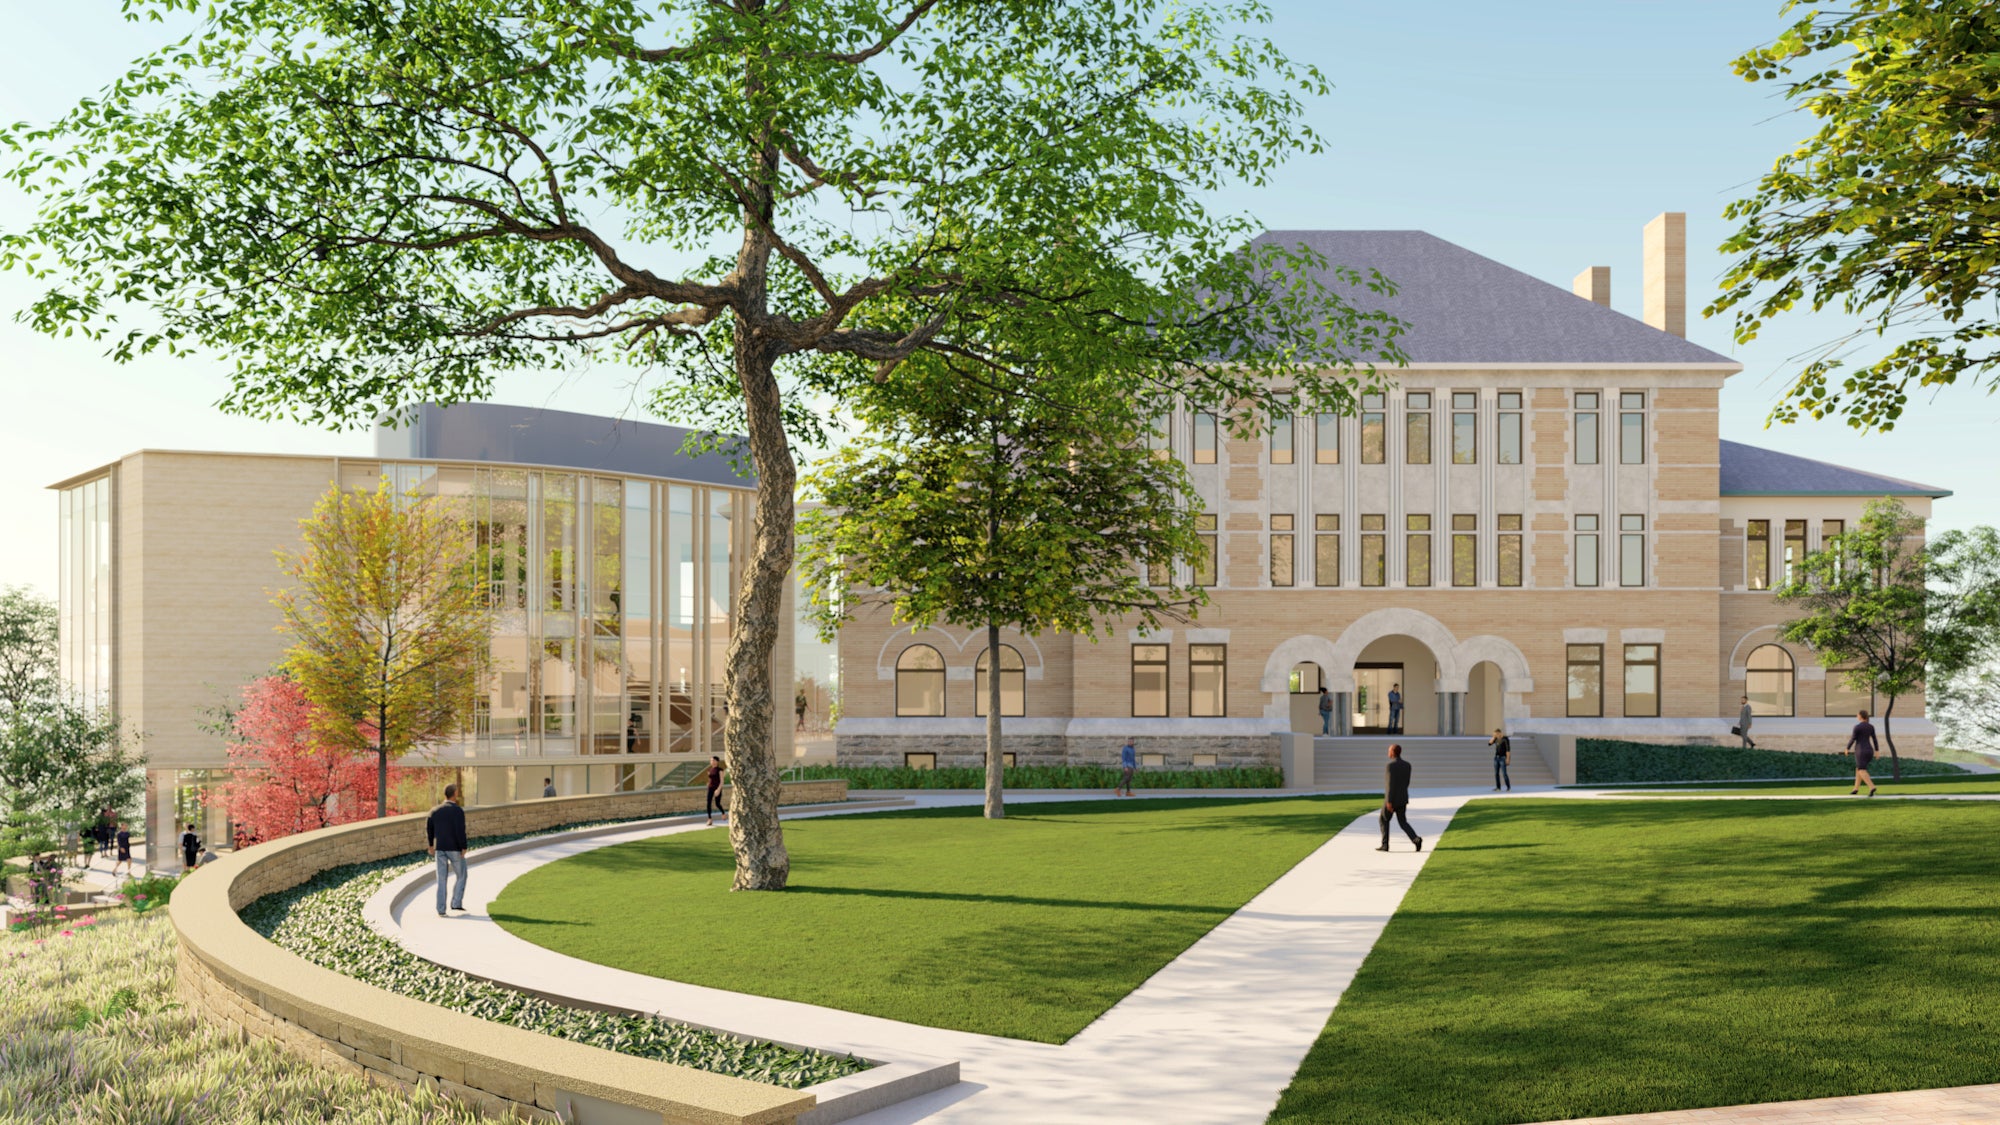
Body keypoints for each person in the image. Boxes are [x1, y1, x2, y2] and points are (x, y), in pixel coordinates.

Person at [426, 784, 469, 917]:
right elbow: (460, 830)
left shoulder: (434, 811)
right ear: (455, 794)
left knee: (441, 879)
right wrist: (464, 847)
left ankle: (441, 909)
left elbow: (429, 828)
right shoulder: (458, 811)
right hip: (455, 849)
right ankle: (456, 903)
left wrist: (431, 845)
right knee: (462, 875)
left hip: (440, 849)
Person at [1377, 744, 1422, 852]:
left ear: (1393, 752)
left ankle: (1385, 845)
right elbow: (1406, 783)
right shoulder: (1407, 765)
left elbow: (1390, 785)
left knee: (1383, 819)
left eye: (1389, 750)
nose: (1388, 752)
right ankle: (1416, 839)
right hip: (1403, 798)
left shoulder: (1390, 766)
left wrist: (1389, 801)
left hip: (1392, 800)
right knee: (1403, 822)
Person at [1847, 709, 1880, 797]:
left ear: (1861, 716)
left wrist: (1847, 748)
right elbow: (1874, 739)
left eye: (1857, 715)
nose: (1856, 716)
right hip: (1870, 750)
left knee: (1861, 770)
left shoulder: (1857, 727)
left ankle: (1871, 786)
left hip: (1860, 750)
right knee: (1858, 768)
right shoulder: (1871, 726)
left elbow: (1853, 739)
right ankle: (1855, 789)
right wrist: (1877, 751)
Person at [704, 755, 726, 825]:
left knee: (717, 804)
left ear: (717, 761)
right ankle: (709, 819)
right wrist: (708, 783)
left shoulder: (720, 770)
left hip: (717, 788)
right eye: (711, 760)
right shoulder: (709, 770)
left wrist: (718, 790)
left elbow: (722, 781)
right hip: (710, 788)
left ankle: (723, 813)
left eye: (713, 760)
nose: (712, 762)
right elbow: (710, 779)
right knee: (708, 803)